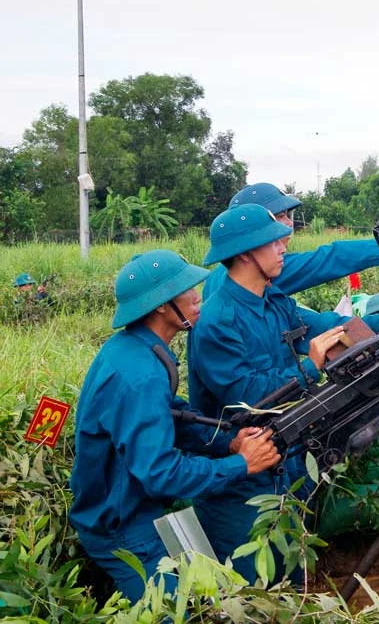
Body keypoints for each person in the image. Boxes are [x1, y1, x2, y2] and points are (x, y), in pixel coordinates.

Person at [187, 204, 379, 585]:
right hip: (241, 478)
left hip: (285, 460)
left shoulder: (273, 300)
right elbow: (248, 399)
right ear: (245, 254)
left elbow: (321, 328)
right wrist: (310, 366)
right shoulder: (217, 321)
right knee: (253, 587)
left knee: (293, 577)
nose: (283, 247)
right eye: (273, 242)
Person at [68, 250, 281, 602]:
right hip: (121, 528)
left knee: (206, 594)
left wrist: (227, 441)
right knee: (179, 611)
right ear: (161, 307)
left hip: (135, 511)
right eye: (186, 290)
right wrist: (241, 464)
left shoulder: (136, 349)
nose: (198, 297)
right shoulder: (141, 376)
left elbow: (173, 415)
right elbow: (161, 473)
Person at [202, 183, 379, 301]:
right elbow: (329, 259)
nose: (289, 224)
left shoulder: (221, 276)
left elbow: (289, 317)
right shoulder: (257, 271)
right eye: (279, 217)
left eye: (287, 216)